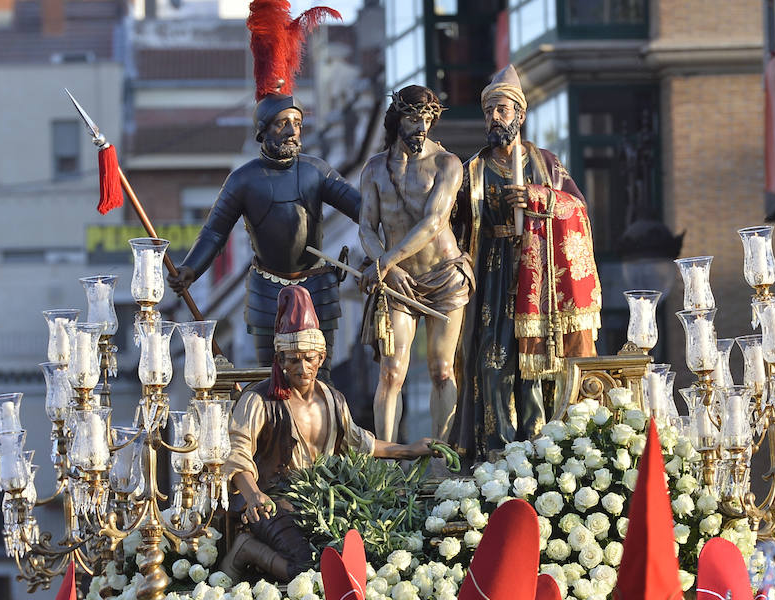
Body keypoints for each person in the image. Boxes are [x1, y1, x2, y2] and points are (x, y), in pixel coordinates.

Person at [168, 2, 358, 379]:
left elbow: (362, 209)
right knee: (268, 381)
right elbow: (215, 231)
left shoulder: (317, 171)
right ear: (262, 132)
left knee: (319, 381)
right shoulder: (243, 179)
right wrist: (191, 268)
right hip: (266, 292)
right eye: (281, 124)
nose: (291, 132)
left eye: (296, 124)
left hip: (318, 285)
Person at [220, 285, 436, 583]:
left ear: (321, 358)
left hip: (322, 499)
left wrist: (410, 449)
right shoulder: (259, 400)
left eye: (309, 358)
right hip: (273, 500)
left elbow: (359, 442)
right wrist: (253, 494)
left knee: (363, 552)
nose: (302, 367)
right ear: (280, 360)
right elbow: (236, 453)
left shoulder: (333, 399)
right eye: (293, 359)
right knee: (307, 568)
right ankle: (245, 550)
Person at [450, 65, 601, 459]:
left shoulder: (546, 162)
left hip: (539, 277)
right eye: (489, 112)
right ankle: (498, 447)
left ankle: (541, 447)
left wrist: (538, 199)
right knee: (494, 361)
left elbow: (578, 209)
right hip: (493, 273)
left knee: (539, 362)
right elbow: (452, 223)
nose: (494, 119)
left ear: (520, 114)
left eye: (502, 110)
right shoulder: (473, 171)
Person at [357, 85, 474, 443]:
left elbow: (434, 222)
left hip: (444, 276)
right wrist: (390, 271)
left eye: (426, 119)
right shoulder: (375, 169)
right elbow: (366, 226)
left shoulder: (447, 163)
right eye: (412, 119)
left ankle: (441, 458)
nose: (420, 127)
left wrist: (385, 263)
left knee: (441, 369)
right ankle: (388, 461)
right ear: (397, 120)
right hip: (398, 282)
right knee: (392, 372)